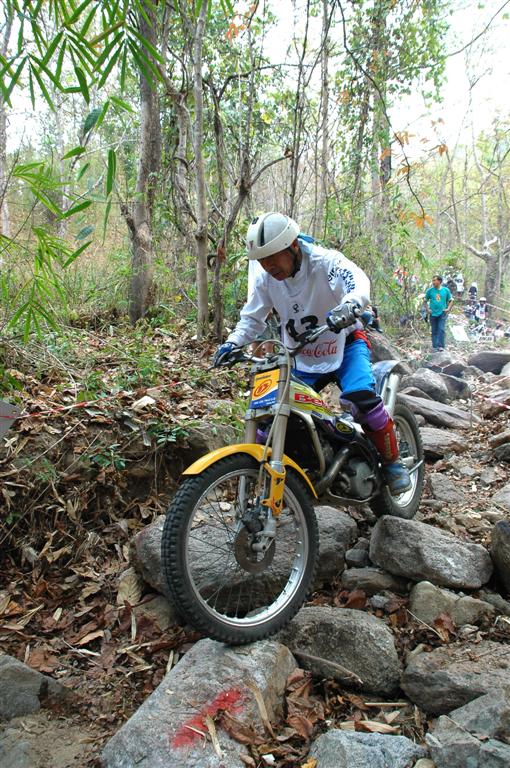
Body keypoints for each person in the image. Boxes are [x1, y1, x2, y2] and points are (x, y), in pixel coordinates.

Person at [213, 212, 411, 495]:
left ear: (293, 245)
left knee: (361, 398)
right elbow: (252, 318)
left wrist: (350, 304)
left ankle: (392, 463)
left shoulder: (325, 262)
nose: (268, 266)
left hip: (345, 343)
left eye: (273, 257)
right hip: (300, 355)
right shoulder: (265, 279)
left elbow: (356, 280)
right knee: (272, 414)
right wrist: (232, 343)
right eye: (262, 260)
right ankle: (267, 476)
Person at [424, 275, 454, 350]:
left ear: (439, 281)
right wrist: (427, 309)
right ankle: (435, 346)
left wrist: (448, 309)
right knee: (434, 330)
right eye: (433, 280)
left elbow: (451, 300)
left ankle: (440, 346)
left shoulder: (446, 290)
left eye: (434, 280)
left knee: (441, 329)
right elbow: (425, 300)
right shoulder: (430, 291)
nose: (433, 282)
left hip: (442, 313)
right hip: (433, 313)